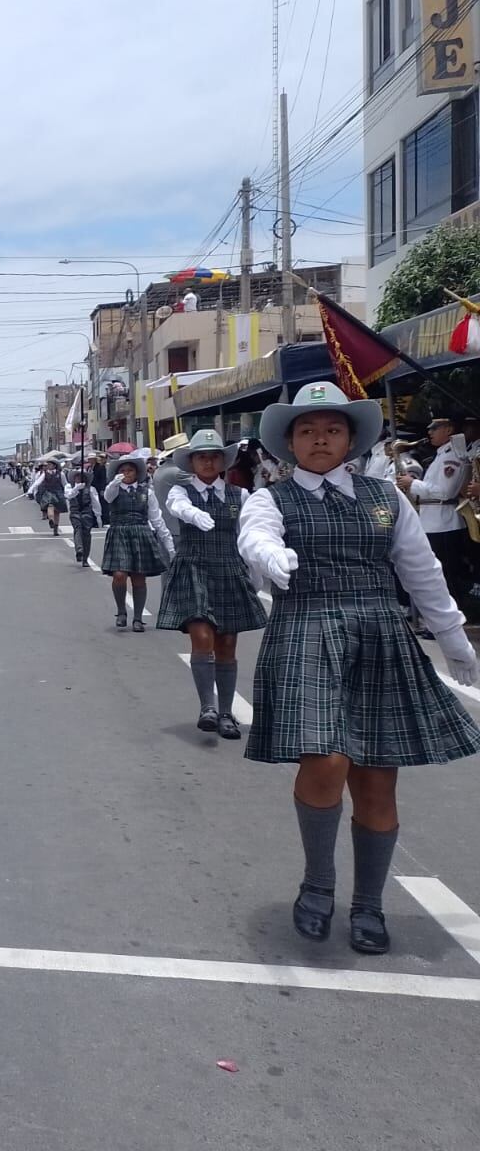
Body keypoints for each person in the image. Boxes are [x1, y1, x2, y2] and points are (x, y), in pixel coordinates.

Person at [237, 382, 480, 955]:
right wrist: (269, 555)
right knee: (325, 761)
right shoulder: (269, 499)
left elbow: (421, 570)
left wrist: (452, 638)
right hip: (306, 632)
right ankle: (318, 885)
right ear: (289, 443)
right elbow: (254, 537)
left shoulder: (385, 497)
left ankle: (368, 903)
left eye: (332, 429)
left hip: (379, 637)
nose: (320, 438)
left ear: (349, 438)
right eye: (307, 430)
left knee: (376, 774)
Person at [157, 429, 267, 739]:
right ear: (191, 462)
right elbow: (176, 508)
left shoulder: (240, 495)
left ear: (223, 461)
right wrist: (193, 514)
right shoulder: (181, 492)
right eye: (201, 456)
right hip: (194, 568)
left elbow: (248, 538)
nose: (207, 461)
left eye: (213, 456)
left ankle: (227, 712)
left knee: (227, 644)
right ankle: (208, 706)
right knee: (202, 635)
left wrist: (255, 575)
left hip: (229, 569)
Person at [400, 416, 472, 617]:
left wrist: (412, 484)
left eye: (435, 428)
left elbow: (445, 492)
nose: (429, 432)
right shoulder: (440, 455)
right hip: (432, 521)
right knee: (436, 575)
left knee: (447, 576)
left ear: (448, 429)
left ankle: (454, 617)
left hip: (444, 522)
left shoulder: (453, 457)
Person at [101, 451, 174, 632]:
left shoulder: (146, 492)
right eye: (123, 470)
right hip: (119, 533)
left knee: (139, 579)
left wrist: (169, 545)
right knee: (119, 575)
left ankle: (138, 618)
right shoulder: (114, 488)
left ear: (136, 473)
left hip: (141, 533)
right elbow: (108, 498)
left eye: (130, 470)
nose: (127, 473)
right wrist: (115, 482)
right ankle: (121, 611)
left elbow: (157, 519)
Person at [65, 468, 102, 566]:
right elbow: (69, 496)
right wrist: (76, 488)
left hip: (87, 512)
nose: (79, 478)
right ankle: (79, 550)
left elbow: (95, 502)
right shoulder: (69, 487)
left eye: (81, 477)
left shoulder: (91, 488)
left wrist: (98, 516)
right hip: (75, 511)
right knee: (78, 529)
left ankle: (85, 558)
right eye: (77, 477)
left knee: (86, 534)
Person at [27, 460, 66, 535]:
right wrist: (31, 489)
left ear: (55, 465)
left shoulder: (61, 474)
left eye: (50, 464)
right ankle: (51, 519)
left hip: (58, 493)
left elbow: (65, 484)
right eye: (48, 464)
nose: (48, 466)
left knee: (57, 512)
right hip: (49, 492)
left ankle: (55, 529)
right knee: (50, 506)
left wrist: (68, 492)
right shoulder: (44, 474)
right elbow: (38, 482)